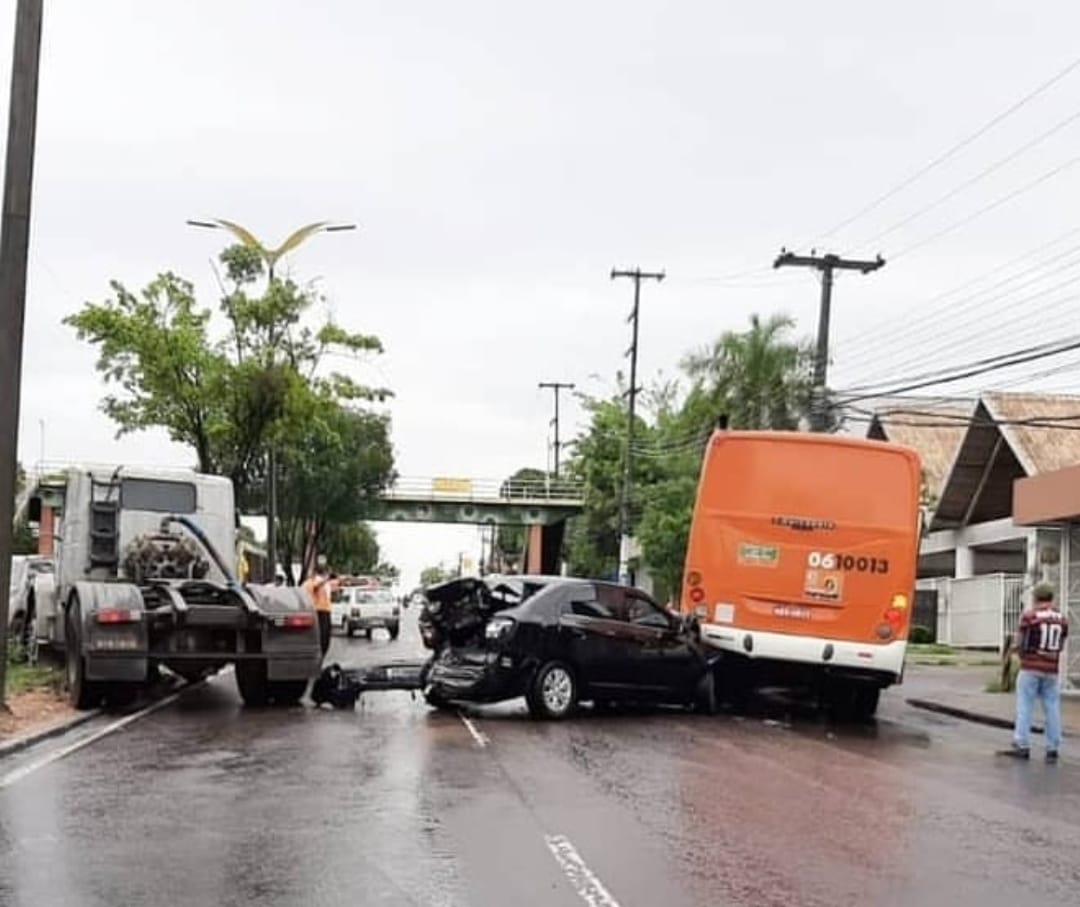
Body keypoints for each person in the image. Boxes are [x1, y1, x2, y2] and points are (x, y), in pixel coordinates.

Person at [999, 583, 1069, 762]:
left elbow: (1022, 642)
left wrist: (1020, 654)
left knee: (1025, 705)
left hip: (1031, 666)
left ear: (1036, 597)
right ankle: (1053, 747)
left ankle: (1022, 744)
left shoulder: (1030, 617)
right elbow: (1061, 642)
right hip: (1051, 669)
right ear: (1051, 597)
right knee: (1052, 706)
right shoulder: (1062, 618)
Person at [303, 562, 340, 660]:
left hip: (323, 611)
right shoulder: (312, 582)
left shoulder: (325, 583)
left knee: (325, 637)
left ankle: (320, 656)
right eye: (327, 572)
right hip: (319, 611)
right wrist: (324, 581)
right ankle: (318, 656)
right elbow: (314, 587)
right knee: (322, 637)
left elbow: (336, 586)